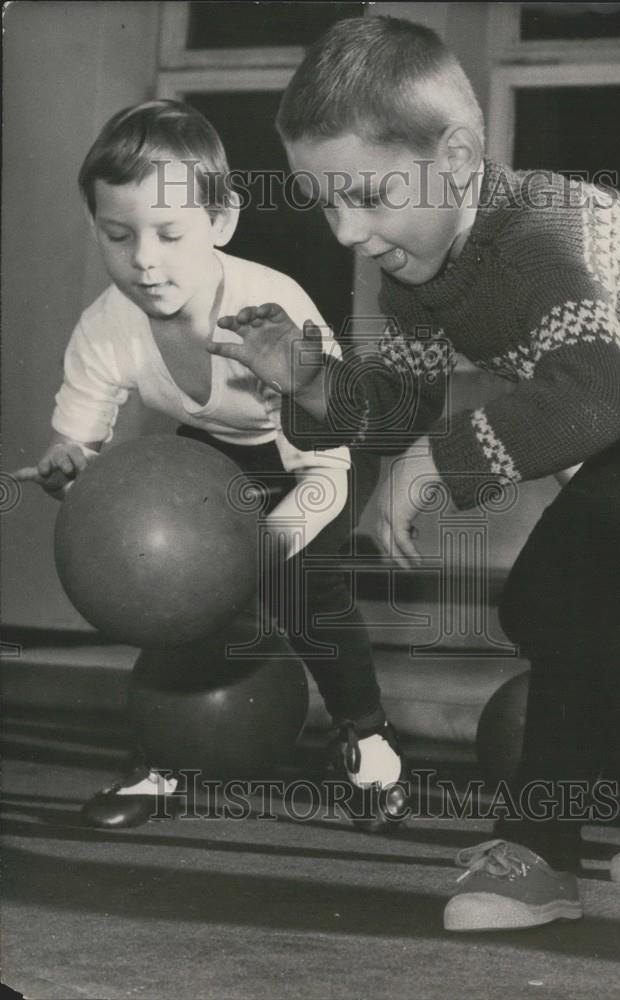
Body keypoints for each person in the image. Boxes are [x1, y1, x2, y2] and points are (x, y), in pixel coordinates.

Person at [208, 16, 620, 930]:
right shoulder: (414, 273)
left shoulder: (535, 235)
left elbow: (584, 402)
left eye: (368, 196)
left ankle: (550, 857)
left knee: (556, 593)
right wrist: (307, 380)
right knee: (562, 605)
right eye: (324, 202)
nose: (346, 231)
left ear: (456, 156)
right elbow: (403, 405)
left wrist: (433, 465)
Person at [14, 99, 407, 833]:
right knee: (178, 584)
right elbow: (77, 444)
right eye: (117, 234)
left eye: (169, 234)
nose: (143, 260)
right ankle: (163, 759)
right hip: (218, 447)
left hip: (326, 445)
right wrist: (71, 464)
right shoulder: (107, 324)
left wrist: (261, 548)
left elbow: (323, 466)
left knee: (300, 585)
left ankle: (370, 742)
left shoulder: (270, 308)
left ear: (221, 221)